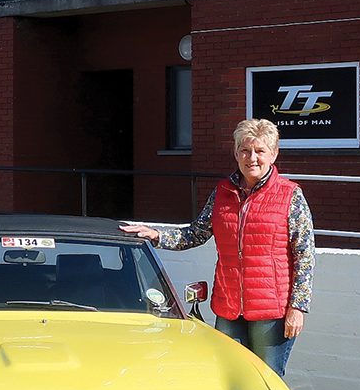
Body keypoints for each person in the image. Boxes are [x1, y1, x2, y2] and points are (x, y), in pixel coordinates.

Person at [120, 118, 314, 377]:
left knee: (265, 380)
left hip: (272, 314)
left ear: (274, 154)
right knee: (227, 375)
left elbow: (305, 255)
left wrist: (298, 307)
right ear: (235, 153)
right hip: (229, 308)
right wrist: (155, 235)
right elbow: (195, 234)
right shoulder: (222, 191)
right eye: (245, 150)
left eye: (260, 151)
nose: (252, 158)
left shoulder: (290, 195)